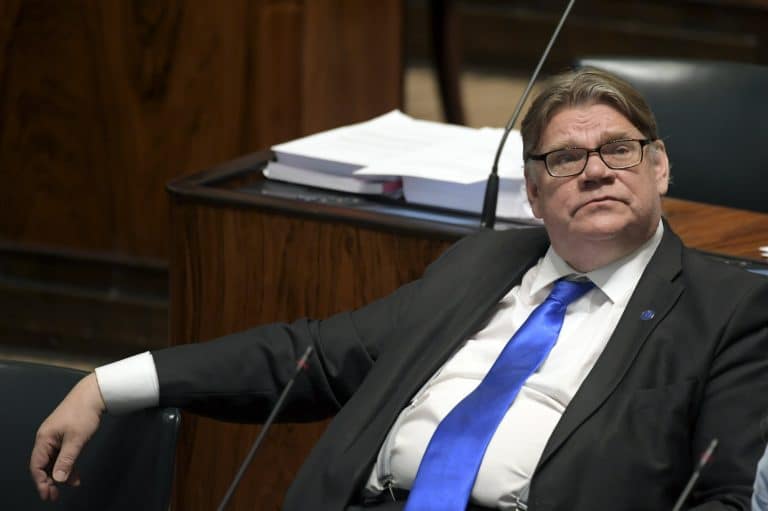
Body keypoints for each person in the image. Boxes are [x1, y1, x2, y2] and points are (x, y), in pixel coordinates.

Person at [30, 68, 768, 510]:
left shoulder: (727, 308)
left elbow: (726, 496)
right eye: (566, 158)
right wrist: (110, 382)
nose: (597, 170)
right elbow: (312, 356)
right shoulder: (481, 263)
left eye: (619, 149)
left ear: (659, 168)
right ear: (534, 193)